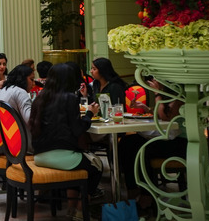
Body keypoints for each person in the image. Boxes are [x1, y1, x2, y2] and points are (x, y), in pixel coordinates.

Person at [28, 63, 103, 217]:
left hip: (39, 156)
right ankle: (81, 211)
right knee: (96, 166)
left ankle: (71, 208)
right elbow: (78, 129)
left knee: (80, 167)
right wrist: (90, 113)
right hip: (62, 157)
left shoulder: (40, 98)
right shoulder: (69, 98)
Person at [118, 77, 186, 213]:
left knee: (142, 149)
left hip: (181, 142)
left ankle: (147, 196)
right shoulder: (167, 96)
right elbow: (161, 115)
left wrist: (157, 93)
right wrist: (146, 108)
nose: (153, 81)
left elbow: (165, 116)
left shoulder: (180, 98)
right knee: (127, 142)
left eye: (156, 79)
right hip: (167, 137)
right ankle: (133, 187)